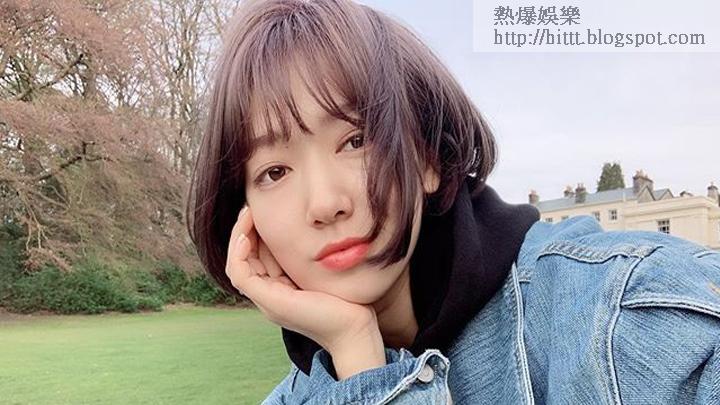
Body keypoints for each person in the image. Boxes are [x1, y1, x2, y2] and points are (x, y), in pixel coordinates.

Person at [186, 0, 720, 403]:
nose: (325, 203)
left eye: (356, 140)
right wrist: (357, 353)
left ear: (428, 158)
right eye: (274, 172)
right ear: (245, 220)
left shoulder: (632, 315)